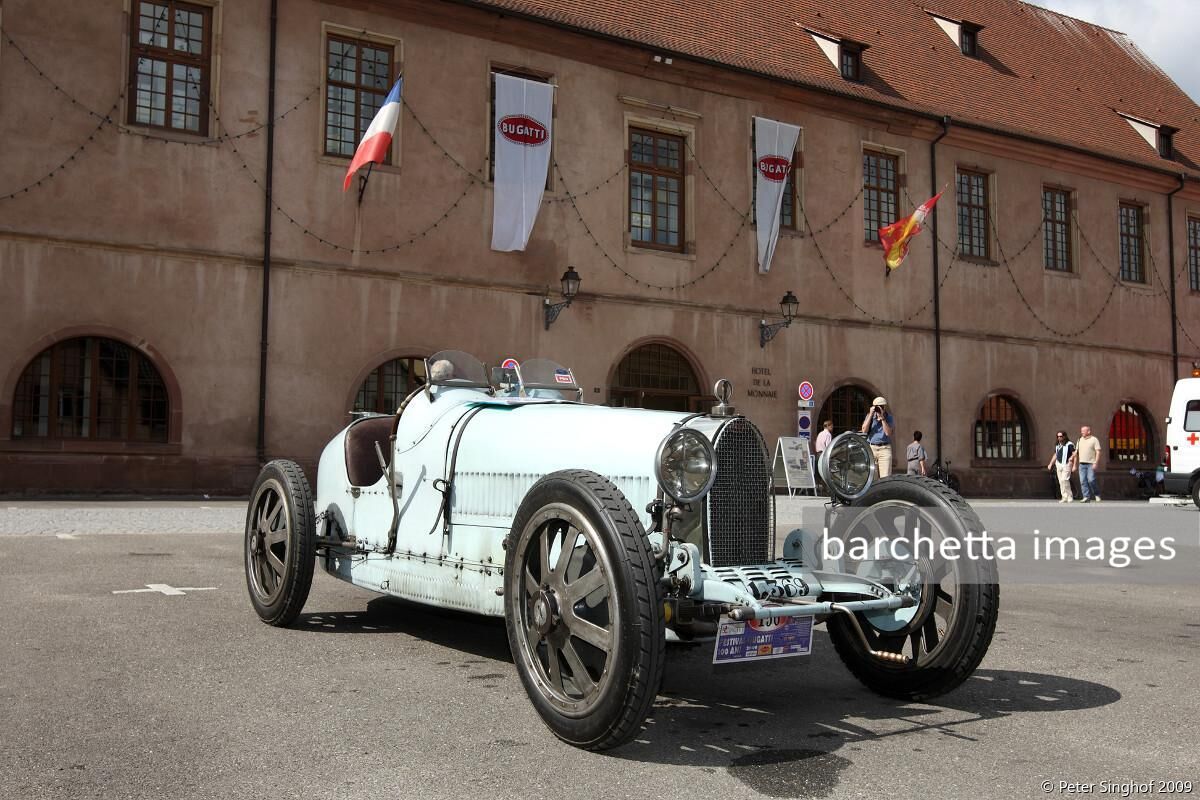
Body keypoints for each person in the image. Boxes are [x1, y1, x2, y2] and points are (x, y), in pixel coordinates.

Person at [860, 396, 894, 477]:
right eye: (878, 407)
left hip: (884, 449)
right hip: (872, 448)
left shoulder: (889, 417)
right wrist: (870, 415)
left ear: (884, 407)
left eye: (882, 406)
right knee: (872, 477)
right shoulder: (870, 416)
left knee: (885, 476)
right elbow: (864, 430)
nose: (880, 408)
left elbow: (888, 433)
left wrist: (882, 419)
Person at [1046, 430, 1076, 503]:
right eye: (1058, 436)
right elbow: (1055, 455)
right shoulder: (1057, 445)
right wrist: (1050, 463)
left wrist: (1074, 464)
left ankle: (1069, 496)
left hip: (1066, 464)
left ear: (1064, 436)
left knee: (1065, 479)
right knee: (1060, 481)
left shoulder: (1069, 444)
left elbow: (1075, 454)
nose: (1059, 438)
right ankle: (1064, 496)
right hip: (1058, 464)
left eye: (1061, 436)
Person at [1076, 425, 1102, 502]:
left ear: (1089, 431)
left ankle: (1097, 494)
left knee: (1091, 480)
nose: (1082, 432)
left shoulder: (1094, 439)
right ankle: (1086, 497)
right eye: (1081, 431)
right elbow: (1076, 451)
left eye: (1083, 431)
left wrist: (1096, 463)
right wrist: (1072, 458)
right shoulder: (1079, 440)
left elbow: (1098, 451)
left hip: (1091, 463)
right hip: (1081, 464)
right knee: (1082, 481)